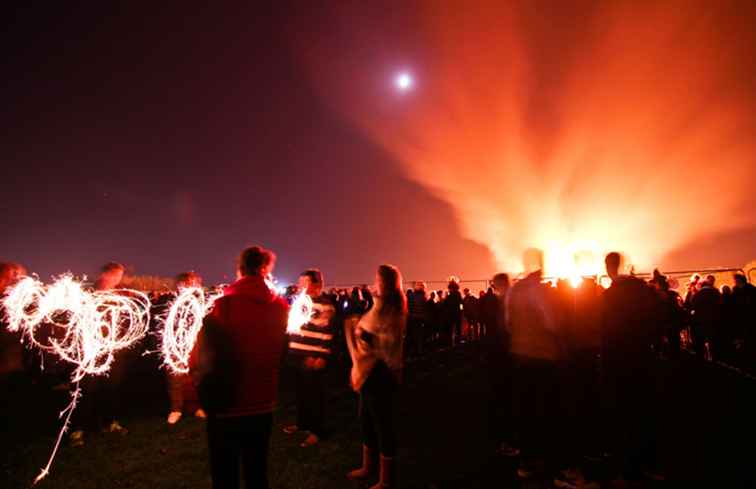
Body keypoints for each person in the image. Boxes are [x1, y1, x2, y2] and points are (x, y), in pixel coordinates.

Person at [189, 245, 288, 489]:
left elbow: (200, 356)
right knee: (257, 470)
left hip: (227, 404)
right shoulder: (280, 308)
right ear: (265, 270)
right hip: (263, 402)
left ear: (239, 270)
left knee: (225, 473)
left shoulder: (224, 307)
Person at [601, 252, 665, 483]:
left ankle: (625, 467)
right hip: (640, 355)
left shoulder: (608, 296)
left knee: (621, 411)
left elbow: (603, 328)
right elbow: (659, 316)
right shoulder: (641, 290)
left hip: (617, 359)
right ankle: (648, 463)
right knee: (643, 409)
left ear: (609, 268)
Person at [345, 264, 407, 489]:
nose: (373, 283)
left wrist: (357, 334)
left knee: (382, 424)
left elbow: (385, 345)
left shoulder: (391, 310)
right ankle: (367, 467)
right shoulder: (379, 307)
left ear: (386, 284)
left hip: (379, 374)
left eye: (377, 280)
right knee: (366, 421)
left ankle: (386, 479)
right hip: (368, 374)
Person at [70, 262, 129, 447]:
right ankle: (78, 428)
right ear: (105, 274)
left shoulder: (119, 296)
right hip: (90, 350)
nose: (118, 279)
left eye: (119, 275)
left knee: (112, 387)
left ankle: (109, 422)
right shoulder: (87, 294)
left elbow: (125, 320)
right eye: (116, 275)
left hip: (113, 350)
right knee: (87, 389)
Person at [283, 269, 336, 447]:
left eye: (303, 282)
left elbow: (328, 333)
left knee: (315, 396)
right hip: (296, 355)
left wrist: (320, 356)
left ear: (315, 284)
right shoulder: (300, 304)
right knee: (301, 394)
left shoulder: (324, 305)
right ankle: (303, 423)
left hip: (312, 357)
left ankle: (317, 431)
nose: (299, 286)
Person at [166, 271, 207, 424]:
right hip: (175, 346)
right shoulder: (170, 301)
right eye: (188, 283)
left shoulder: (198, 302)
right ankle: (176, 409)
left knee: (196, 377)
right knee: (175, 378)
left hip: (195, 345)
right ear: (180, 285)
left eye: (193, 283)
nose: (191, 285)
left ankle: (195, 407)